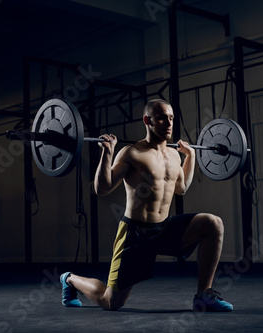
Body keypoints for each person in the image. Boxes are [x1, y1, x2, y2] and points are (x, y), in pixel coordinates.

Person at [60, 99, 233, 312]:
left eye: (170, 118)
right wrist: (107, 152)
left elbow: (181, 188)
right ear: (147, 120)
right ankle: (69, 279)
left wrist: (191, 156)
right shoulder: (132, 153)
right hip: (135, 232)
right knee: (112, 302)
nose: (168, 123)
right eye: (161, 117)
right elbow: (101, 189)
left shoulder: (173, 155)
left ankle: (203, 295)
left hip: (164, 228)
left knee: (213, 223)